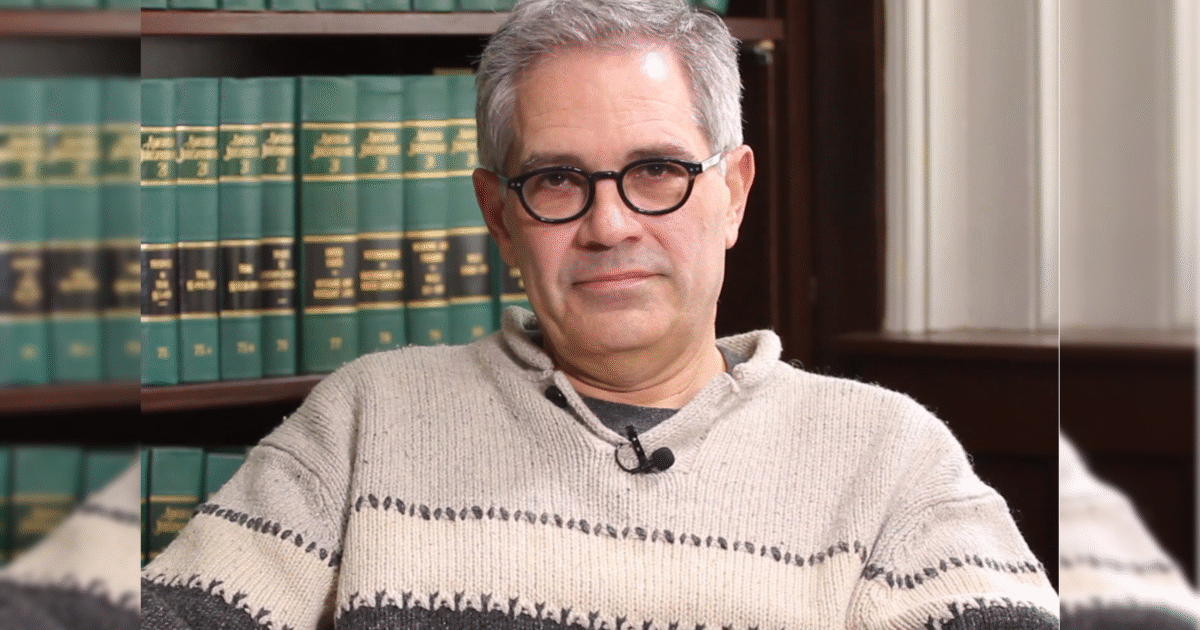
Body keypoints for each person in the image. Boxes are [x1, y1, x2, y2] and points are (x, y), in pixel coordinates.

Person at [141, 0, 1059, 628]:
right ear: (500, 215)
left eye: (656, 170)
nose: (609, 224)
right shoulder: (367, 418)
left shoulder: (891, 461)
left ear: (734, 194)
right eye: (556, 180)